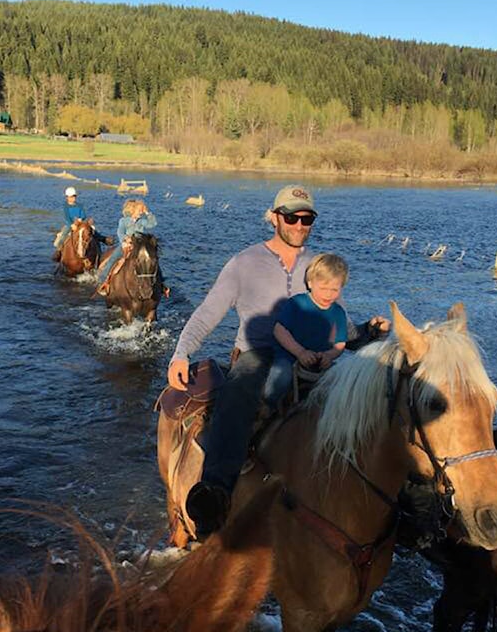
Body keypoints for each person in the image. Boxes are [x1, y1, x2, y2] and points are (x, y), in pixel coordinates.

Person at [166, 184, 391, 538]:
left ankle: (392, 505)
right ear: (274, 218)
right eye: (292, 216)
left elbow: (336, 324)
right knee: (237, 394)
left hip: (316, 359)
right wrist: (182, 352)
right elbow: (210, 311)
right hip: (259, 353)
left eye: (307, 218)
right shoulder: (244, 263)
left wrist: (369, 332)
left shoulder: (316, 266)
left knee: (371, 407)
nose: (300, 224)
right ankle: (215, 493)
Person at [263, 253, 349, 409]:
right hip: (290, 356)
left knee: (344, 383)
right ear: (310, 283)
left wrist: (329, 355)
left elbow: (340, 342)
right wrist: (300, 352)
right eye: (323, 288)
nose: (328, 294)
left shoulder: (338, 312)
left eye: (334, 289)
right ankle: (266, 410)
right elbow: (279, 330)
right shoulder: (297, 304)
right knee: (280, 378)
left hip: (321, 360)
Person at [96, 198, 157, 294]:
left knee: (152, 260)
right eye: (139, 210)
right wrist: (124, 240)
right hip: (126, 245)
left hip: (138, 246)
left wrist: (147, 212)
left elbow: (153, 224)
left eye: (142, 210)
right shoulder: (123, 221)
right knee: (112, 259)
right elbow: (120, 232)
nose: (141, 212)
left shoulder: (141, 221)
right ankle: (102, 281)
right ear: (132, 210)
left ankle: (160, 283)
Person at [52, 186, 112, 261]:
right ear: (67, 197)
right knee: (64, 234)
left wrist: (81, 219)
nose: (72, 198)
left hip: (80, 222)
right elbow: (67, 217)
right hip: (70, 224)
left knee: (91, 231)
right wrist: (72, 224)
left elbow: (83, 214)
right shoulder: (66, 206)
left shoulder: (79, 205)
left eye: (74, 196)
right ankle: (59, 250)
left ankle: (103, 239)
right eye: (71, 197)